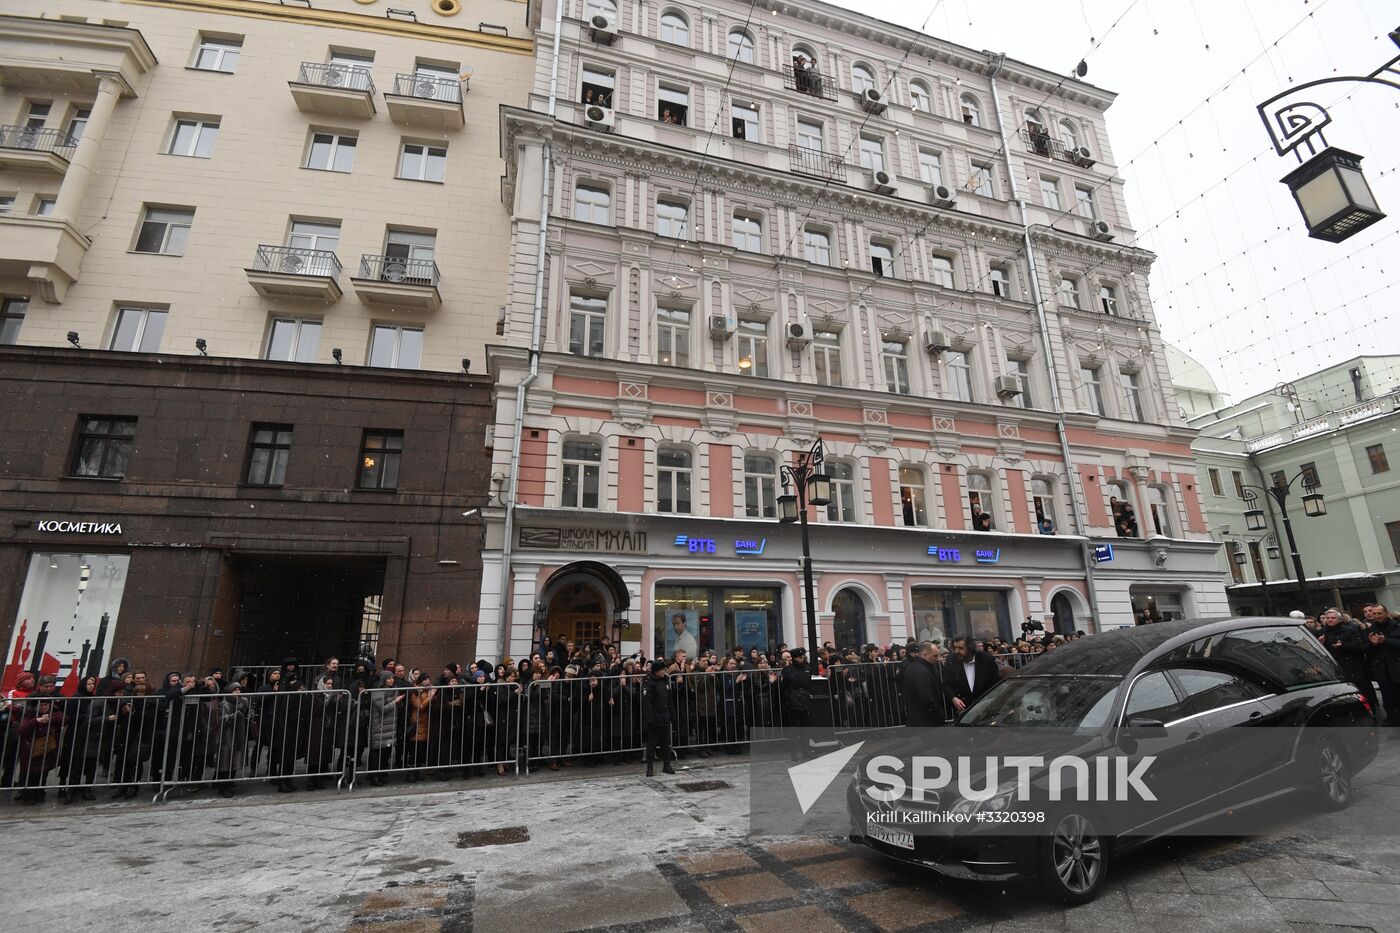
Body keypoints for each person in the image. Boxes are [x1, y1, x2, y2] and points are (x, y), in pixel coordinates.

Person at [1317, 609, 1375, 714]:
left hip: (1353, 666)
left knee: (1362, 691)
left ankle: (1370, 711)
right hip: (1335, 667)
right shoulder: (1322, 632)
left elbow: (1360, 647)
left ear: (1339, 620)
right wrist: (1321, 644)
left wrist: (1343, 645)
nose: (1330, 620)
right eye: (1328, 618)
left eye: (1333, 618)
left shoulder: (1350, 630)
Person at [1364, 604, 1400, 728]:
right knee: (1389, 703)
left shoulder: (1396, 627)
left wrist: (1385, 641)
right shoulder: (1370, 629)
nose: (1377, 616)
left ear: (1386, 613)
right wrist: (1373, 644)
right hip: (1382, 671)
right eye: (1375, 614)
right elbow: (1365, 650)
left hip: (1396, 668)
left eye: (1380, 613)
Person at [641, 658, 676, 777]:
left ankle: (667, 765)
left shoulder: (665, 681)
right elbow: (647, 702)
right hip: (654, 717)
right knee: (652, 744)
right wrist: (650, 718)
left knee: (665, 743)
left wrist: (672, 714)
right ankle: (649, 768)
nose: (664, 672)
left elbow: (669, 699)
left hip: (664, 716)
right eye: (662, 670)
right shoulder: (649, 682)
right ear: (656, 671)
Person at [946, 637, 999, 714]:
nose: (957, 651)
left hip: (985, 706)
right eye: (955, 648)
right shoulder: (951, 659)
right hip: (963, 708)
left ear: (970, 648)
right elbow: (946, 682)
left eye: (960, 648)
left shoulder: (987, 659)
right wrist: (953, 698)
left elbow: (995, 683)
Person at [903, 641, 951, 727]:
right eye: (935, 656)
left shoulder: (913, 667)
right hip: (927, 722)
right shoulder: (922, 672)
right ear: (924, 655)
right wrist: (939, 717)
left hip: (917, 720)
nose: (938, 659)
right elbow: (928, 700)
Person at [781, 647, 814, 760]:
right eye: (800, 657)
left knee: (805, 728)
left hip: (804, 700)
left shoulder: (807, 668)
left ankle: (806, 751)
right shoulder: (787, 670)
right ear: (795, 658)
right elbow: (784, 687)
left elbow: (809, 683)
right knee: (794, 729)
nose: (802, 658)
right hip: (793, 702)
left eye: (803, 656)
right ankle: (794, 753)